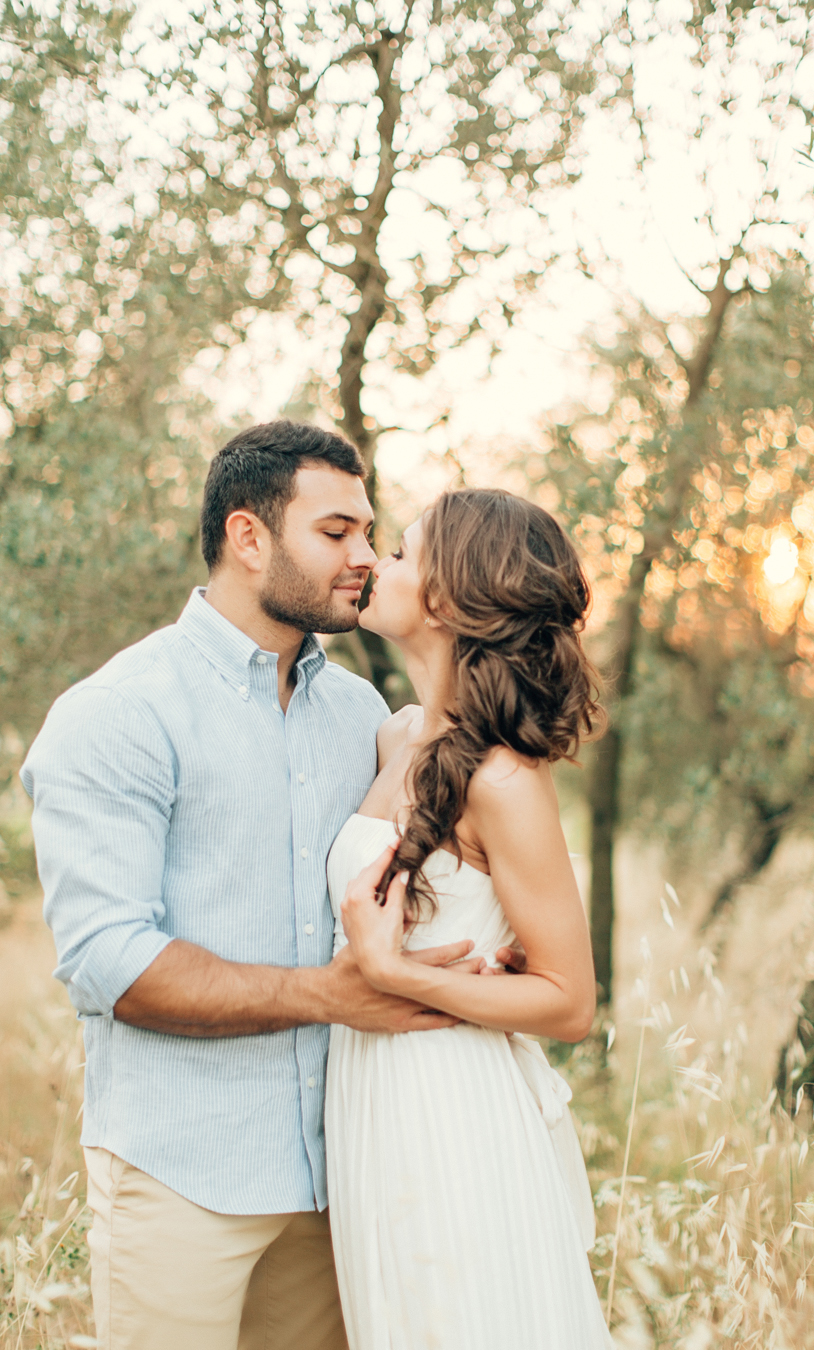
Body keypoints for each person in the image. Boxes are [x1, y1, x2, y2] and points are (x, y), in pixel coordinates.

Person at [20, 421, 502, 1350]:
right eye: (335, 533)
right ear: (249, 537)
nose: (365, 556)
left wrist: (486, 950)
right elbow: (108, 963)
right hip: (180, 1179)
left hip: (342, 1181)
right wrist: (328, 998)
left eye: (370, 531)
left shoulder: (361, 713)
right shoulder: (117, 715)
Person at [325, 487, 615, 1349]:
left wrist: (394, 974)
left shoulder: (504, 781)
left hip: (453, 1112)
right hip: (371, 1100)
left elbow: (571, 1003)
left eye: (403, 552)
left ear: (449, 600)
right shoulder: (397, 736)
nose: (377, 562)